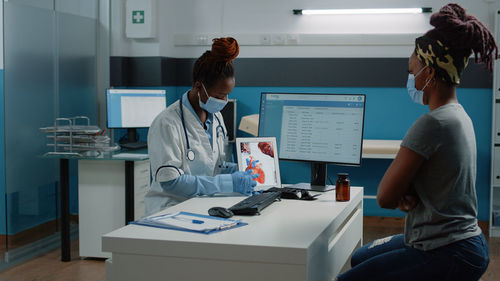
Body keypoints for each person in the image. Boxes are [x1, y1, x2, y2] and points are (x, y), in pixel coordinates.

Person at [338, 4, 497, 281]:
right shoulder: (459, 115)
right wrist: (410, 190)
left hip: (448, 250)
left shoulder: (432, 123)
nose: (411, 79)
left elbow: (386, 198)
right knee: (360, 257)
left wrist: (401, 191)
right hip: (467, 240)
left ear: (431, 73)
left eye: (413, 71)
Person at [145, 37, 258, 215]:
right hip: (171, 211)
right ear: (199, 86)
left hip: (203, 206)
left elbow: (214, 166)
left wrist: (239, 169)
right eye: (220, 95)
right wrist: (229, 182)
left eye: (227, 95)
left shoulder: (217, 118)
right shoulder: (167, 123)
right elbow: (171, 182)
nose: (224, 101)